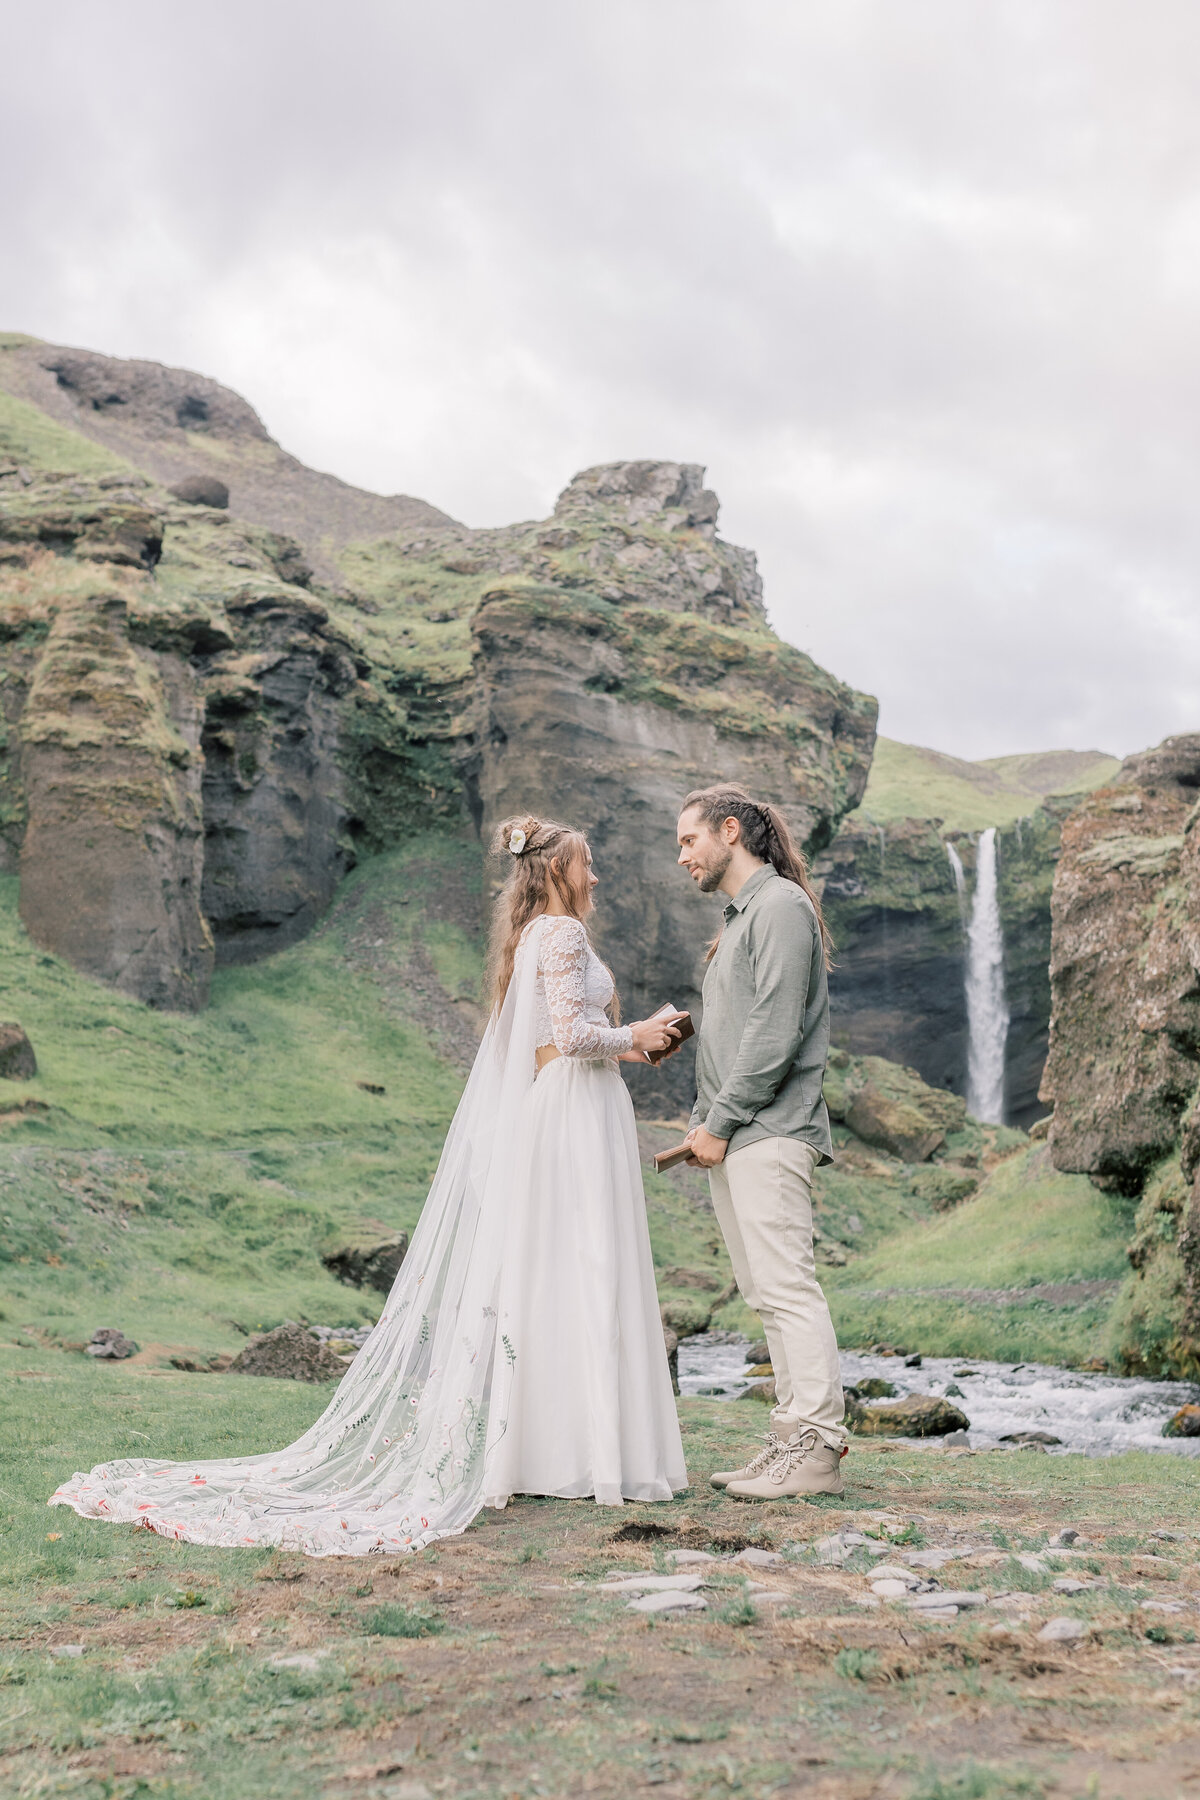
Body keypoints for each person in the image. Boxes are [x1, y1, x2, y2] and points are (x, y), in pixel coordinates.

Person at [51, 816, 687, 1554]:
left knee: (553, 1275)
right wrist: (635, 1034)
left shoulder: (534, 938)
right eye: (586, 864)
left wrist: (635, 1051)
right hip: (577, 1113)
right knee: (586, 1267)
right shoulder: (566, 935)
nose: (596, 876)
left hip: (568, 1104)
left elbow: (553, 1044)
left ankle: (547, 1453)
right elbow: (575, 1039)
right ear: (554, 872)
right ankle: (592, 1454)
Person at [676, 783, 847, 1499]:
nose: (681, 856)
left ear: (729, 831)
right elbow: (740, 1027)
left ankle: (816, 1448)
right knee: (765, 1292)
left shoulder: (778, 906)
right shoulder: (743, 917)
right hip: (739, 1132)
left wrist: (718, 1122)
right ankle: (788, 1442)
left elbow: (774, 1033)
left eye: (688, 841)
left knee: (787, 1288)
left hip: (767, 1130)